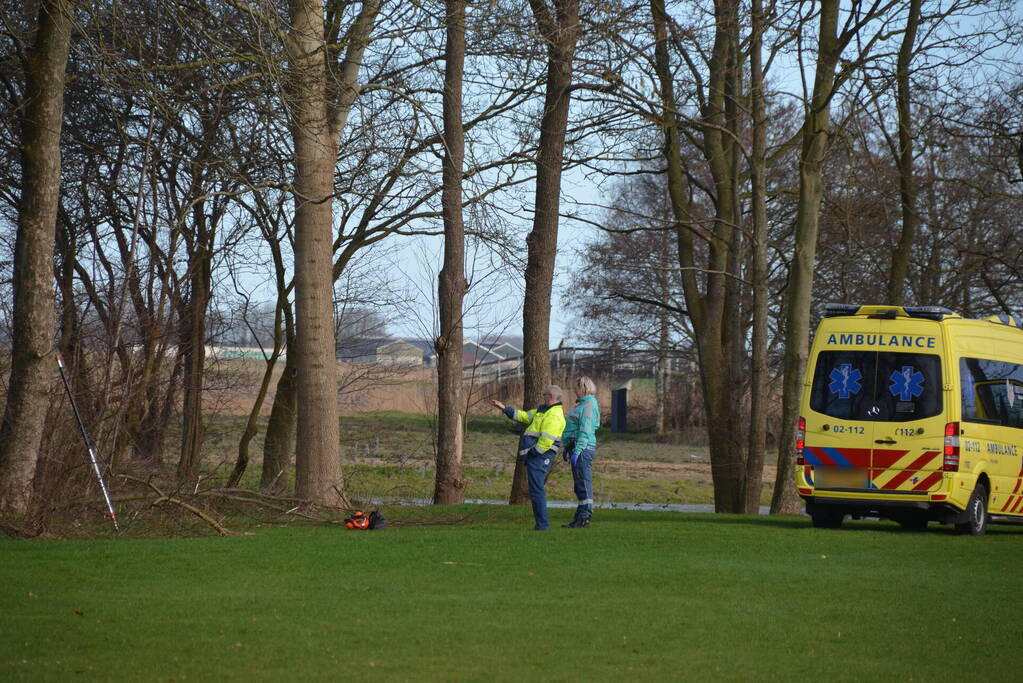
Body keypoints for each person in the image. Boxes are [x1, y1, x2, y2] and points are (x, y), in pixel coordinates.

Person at [491, 386, 566, 531]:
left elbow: (546, 442)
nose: (542, 397)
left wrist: (532, 454)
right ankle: (541, 524)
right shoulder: (543, 411)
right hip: (537, 456)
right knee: (536, 490)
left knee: (537, 490)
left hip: (540, 456)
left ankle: (542, 525)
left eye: (544, 394)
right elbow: (524, 416)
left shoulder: (554, 416)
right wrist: (504, 408)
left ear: (550, 397)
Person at [561, 376, 600, 528]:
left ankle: (585, 517)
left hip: (582, 448)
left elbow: (585, 430)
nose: (574, 391)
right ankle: (580, 516)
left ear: (583, 387)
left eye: (576, 388)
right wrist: (568, 447)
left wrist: (577, 450)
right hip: (576, 447)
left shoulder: (588, 405)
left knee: (583, 483)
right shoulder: (583, 404)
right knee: (579, 484)